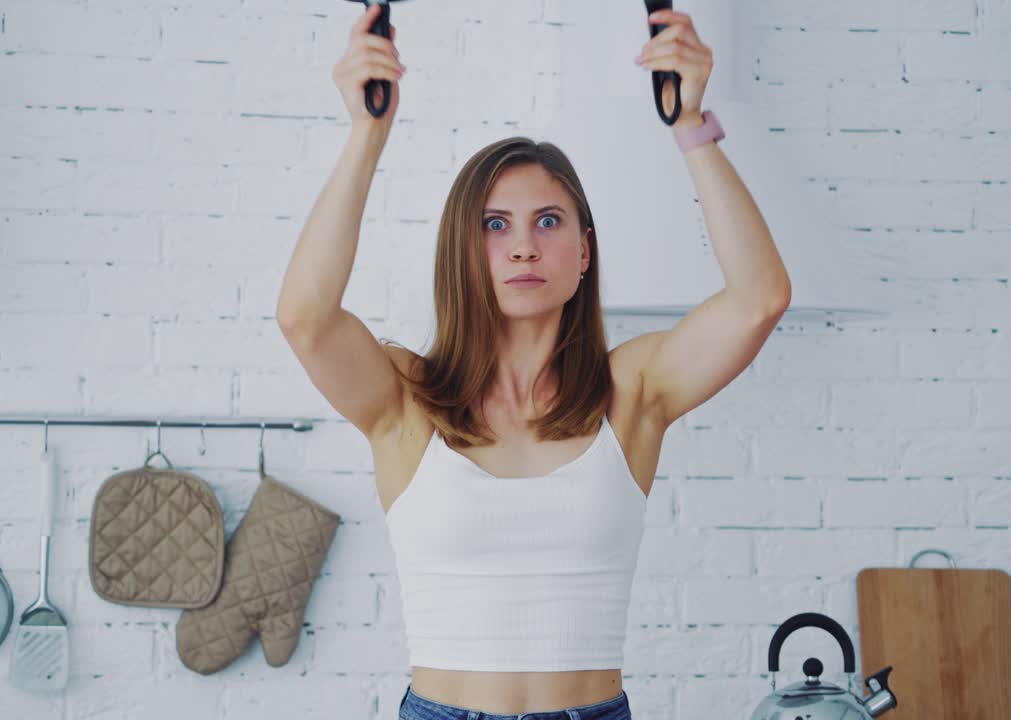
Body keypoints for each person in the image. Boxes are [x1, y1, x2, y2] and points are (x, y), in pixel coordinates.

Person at [278, 5, 790, 719]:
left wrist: (690, 127)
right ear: (464, 249)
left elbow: (760, 299)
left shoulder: (630, 391)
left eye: (547, 222)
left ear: (583, 250)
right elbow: (305, 319)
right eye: (495, 225)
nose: (522, 247)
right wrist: (369, 134)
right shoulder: (406, 397)